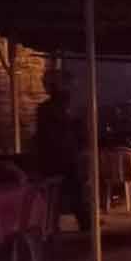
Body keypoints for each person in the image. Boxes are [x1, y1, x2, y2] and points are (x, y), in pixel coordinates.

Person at [35, 69, 89, 231]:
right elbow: (49, 135)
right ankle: (57, 224)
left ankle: (81, 221)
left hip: (63, 156)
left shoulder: (58, 109)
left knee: (73, 191)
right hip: (57, 157)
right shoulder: (49, 110)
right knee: (61, 193)